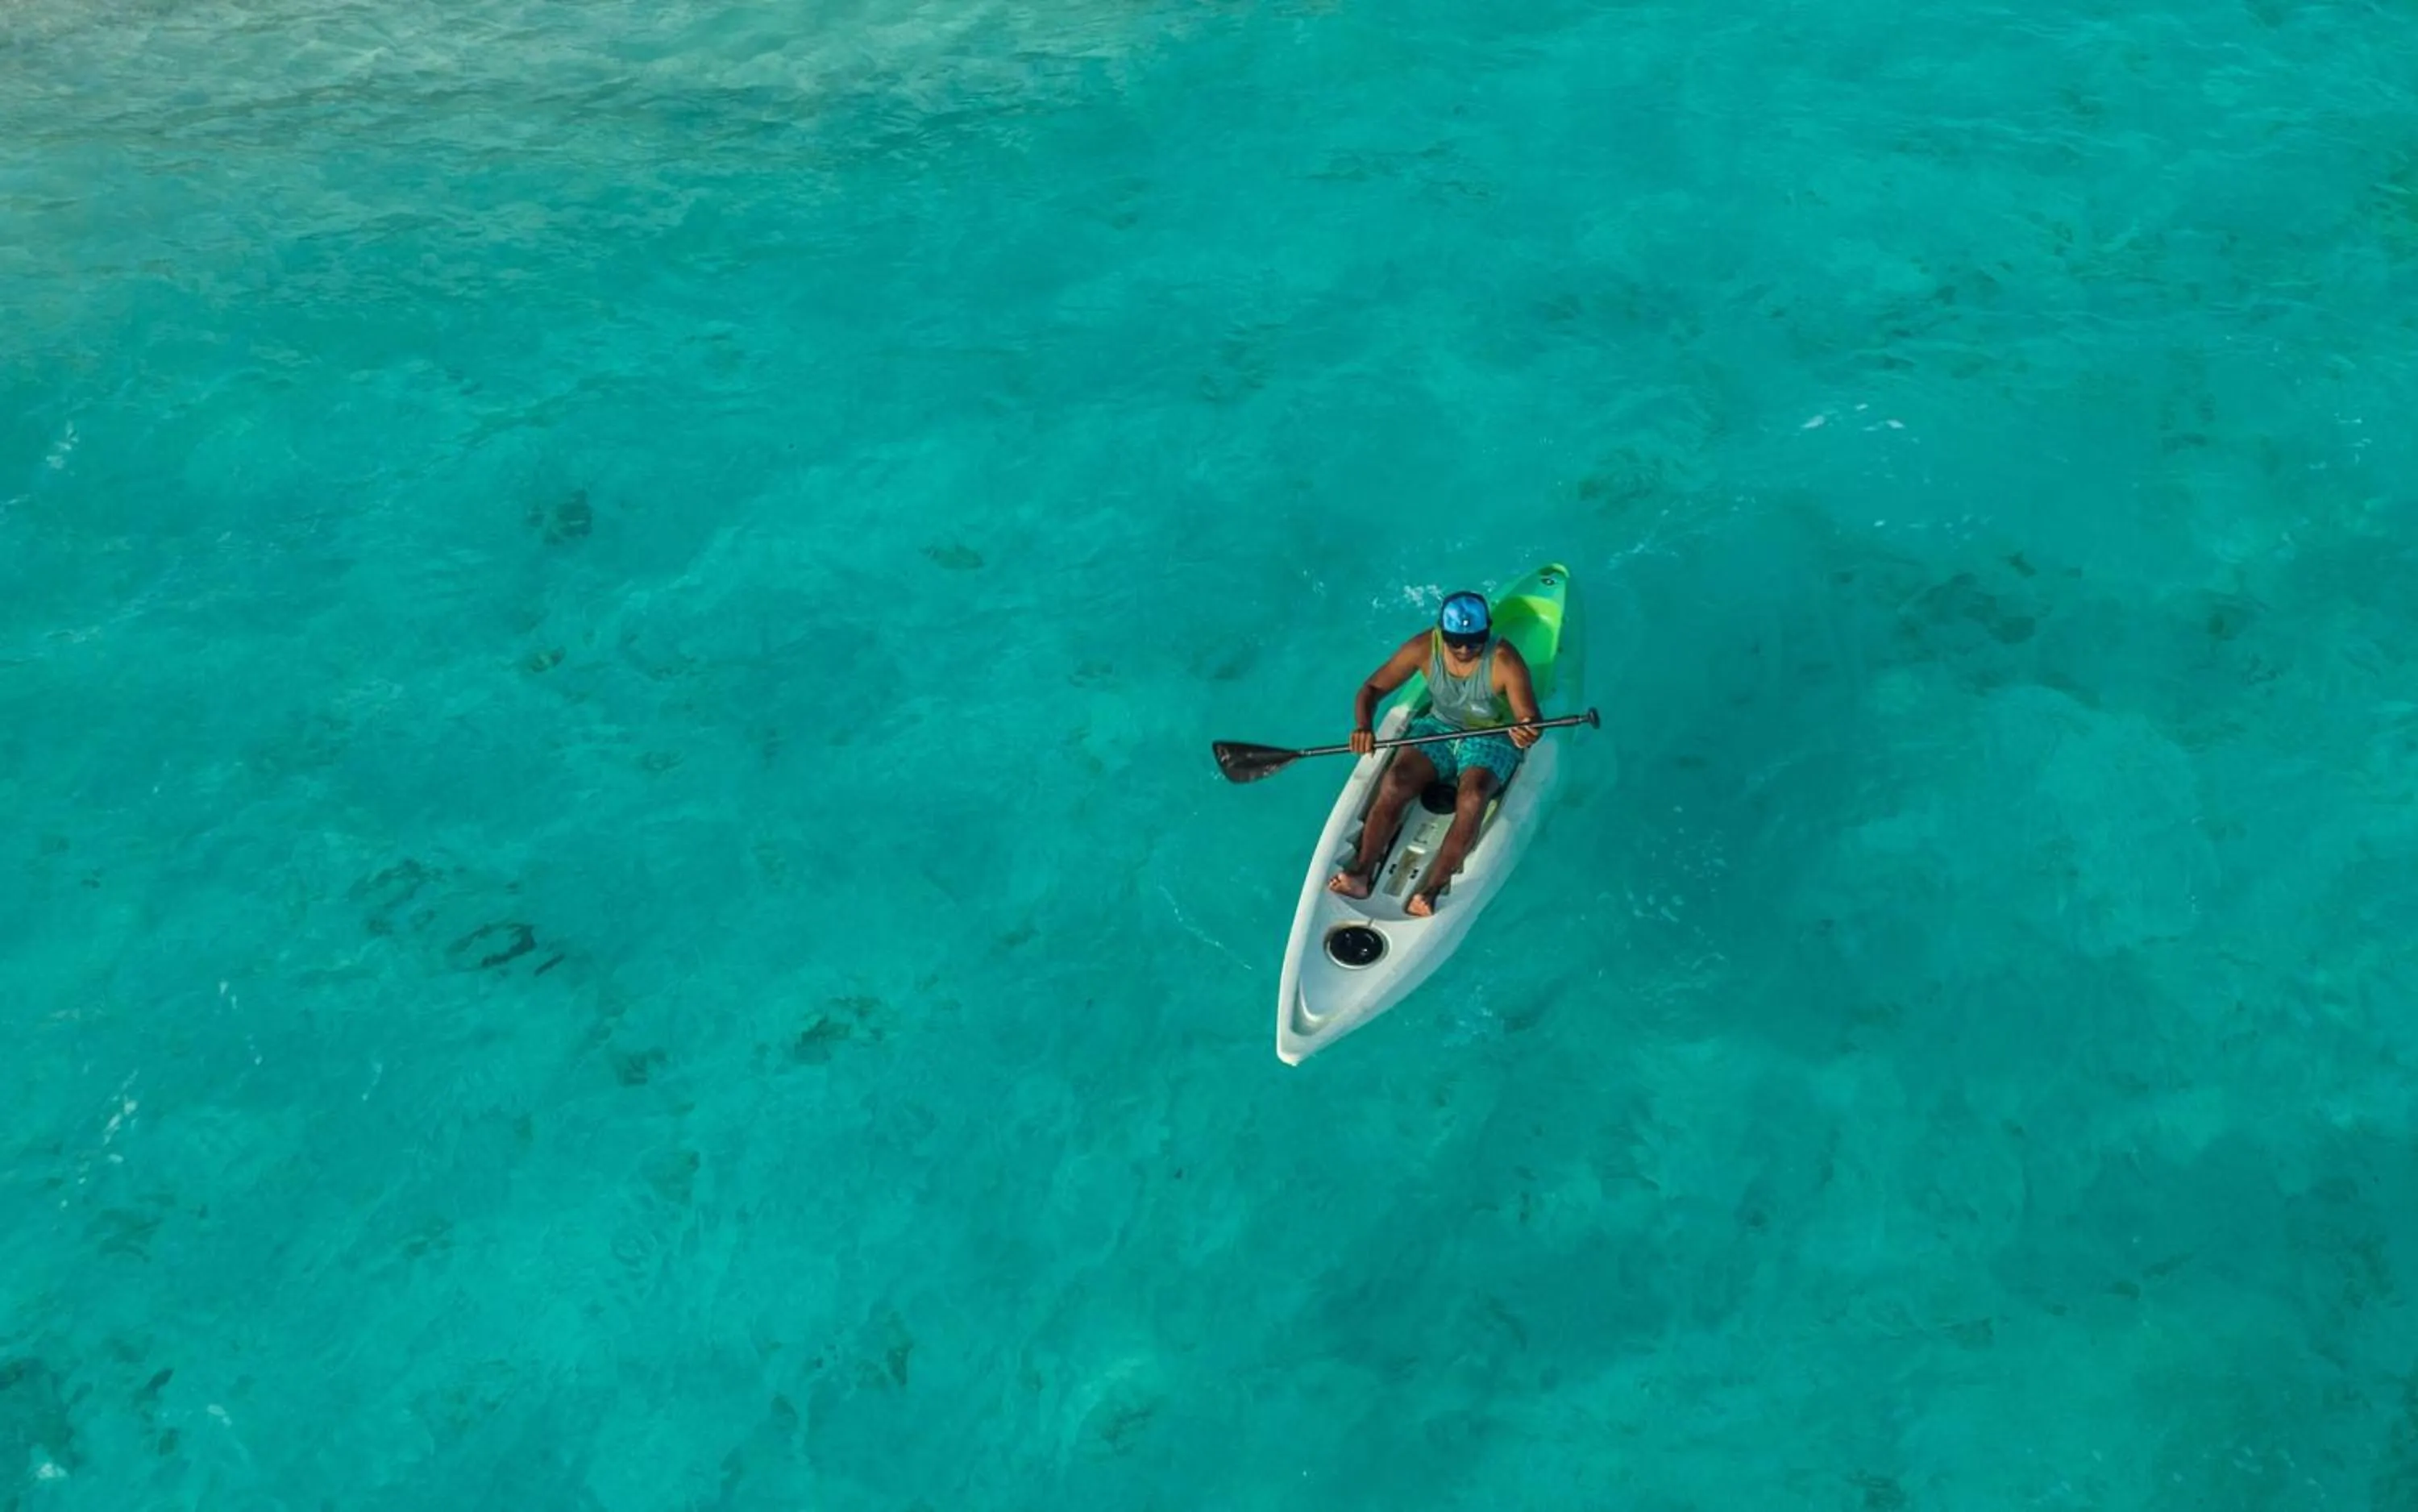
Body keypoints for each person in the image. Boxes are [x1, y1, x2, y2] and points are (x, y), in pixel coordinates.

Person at [1326, 589, 1542, 916]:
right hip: (1438, 728)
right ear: (1442, 631)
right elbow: (1372, 689)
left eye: (1475, 640)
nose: (1466, 649)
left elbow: (1529, 716)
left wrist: (1527, 729)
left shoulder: (1504, 660)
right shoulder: (1423, 647)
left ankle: (1433, 886)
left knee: (1472, 798)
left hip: (1491, 736)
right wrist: (1363, 726)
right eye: (1456, 641)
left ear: (1488, 631)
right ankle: (1362, 871)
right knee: (1396, 782)